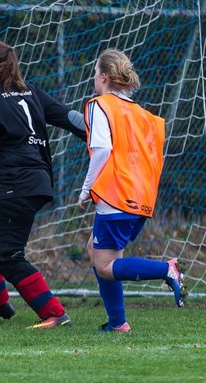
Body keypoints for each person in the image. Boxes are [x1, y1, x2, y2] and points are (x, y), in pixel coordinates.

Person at [0, 38, 86, 328]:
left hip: (14, 184)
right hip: (37, 180)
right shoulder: (29, 91)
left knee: (6, 254)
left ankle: (54, 313)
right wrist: (106, 132)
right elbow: (70, 118)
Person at [77, 49, 185, 333]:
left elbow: (102, 150)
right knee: (96, 250)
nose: (93, 79)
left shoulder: (99, 105)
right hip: (140, 198)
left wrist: (86, 189)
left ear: (103, 77)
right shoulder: (140, 113)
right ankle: (117, 323)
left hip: (115, 196)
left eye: (94, 74)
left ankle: (167, 270)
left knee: (105, 265)